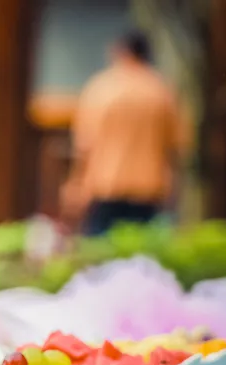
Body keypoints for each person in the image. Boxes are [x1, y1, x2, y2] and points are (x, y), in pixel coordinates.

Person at [64, 30, 183, 236]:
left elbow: (84, 144)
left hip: (105, 184)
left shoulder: (101, 88)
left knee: (99, 253)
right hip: (150, 186)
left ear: (120, 52)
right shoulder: (161, 91)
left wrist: (75, 184)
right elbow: (176, 146)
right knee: (143, 257)